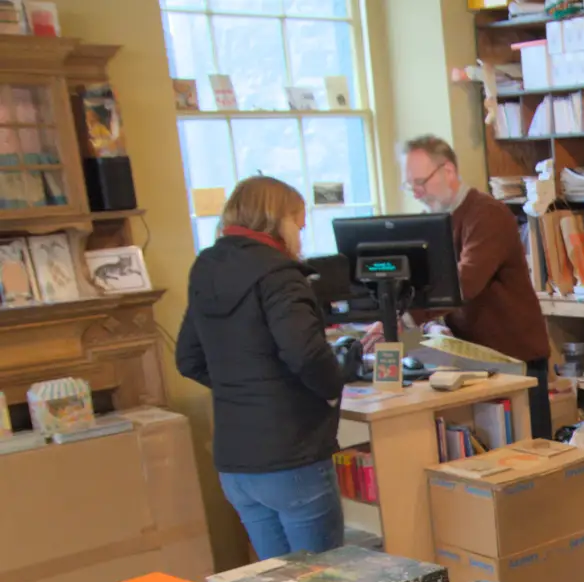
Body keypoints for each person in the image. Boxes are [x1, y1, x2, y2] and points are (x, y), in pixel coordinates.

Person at [176, 175, 345, 559]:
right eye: (299, 225)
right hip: (291, 451)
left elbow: (188, 358)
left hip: (236, 462)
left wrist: (241, 385)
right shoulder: (280, 276)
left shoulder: (206, 268)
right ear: (279, 219)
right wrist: (333, 386)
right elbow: (305, 354)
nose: (301, 238)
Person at [363, 135, 552, 438]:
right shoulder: (436, 221)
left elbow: (464, 282)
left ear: (448, 171)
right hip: (471, 359)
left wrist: (408, 319)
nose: (417, 192)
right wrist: (392, 314)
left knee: (533, 456)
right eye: (410, 185)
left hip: (513, 358)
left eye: (421, 181)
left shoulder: (486, 214)